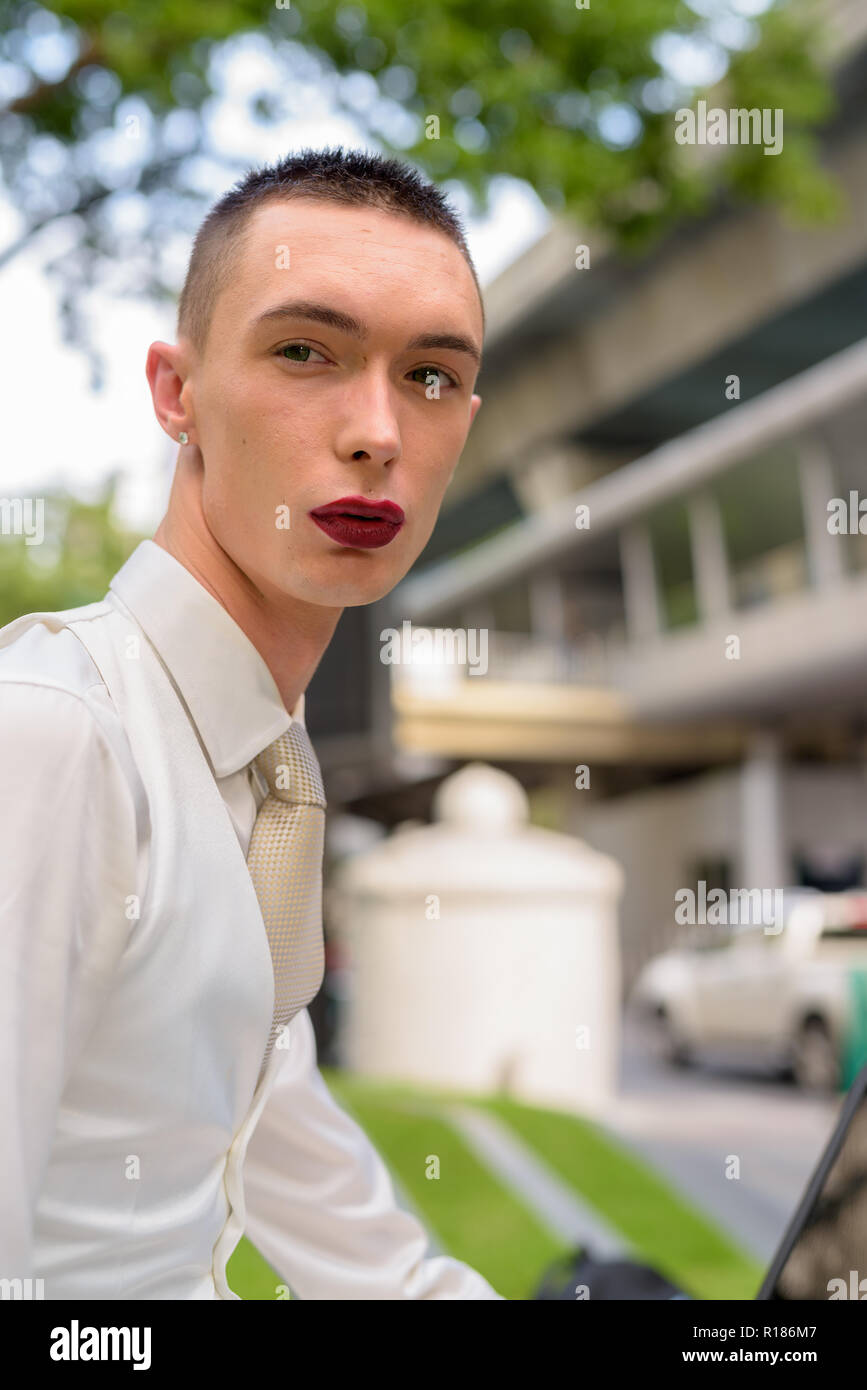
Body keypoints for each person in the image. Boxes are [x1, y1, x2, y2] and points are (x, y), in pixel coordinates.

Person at [0, 146, 503, 1300]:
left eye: (430, 376)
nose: (378, 429)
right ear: (177, 393)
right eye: (304, 352)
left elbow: (340, 1228)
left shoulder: (261, 770)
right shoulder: (57, 735)